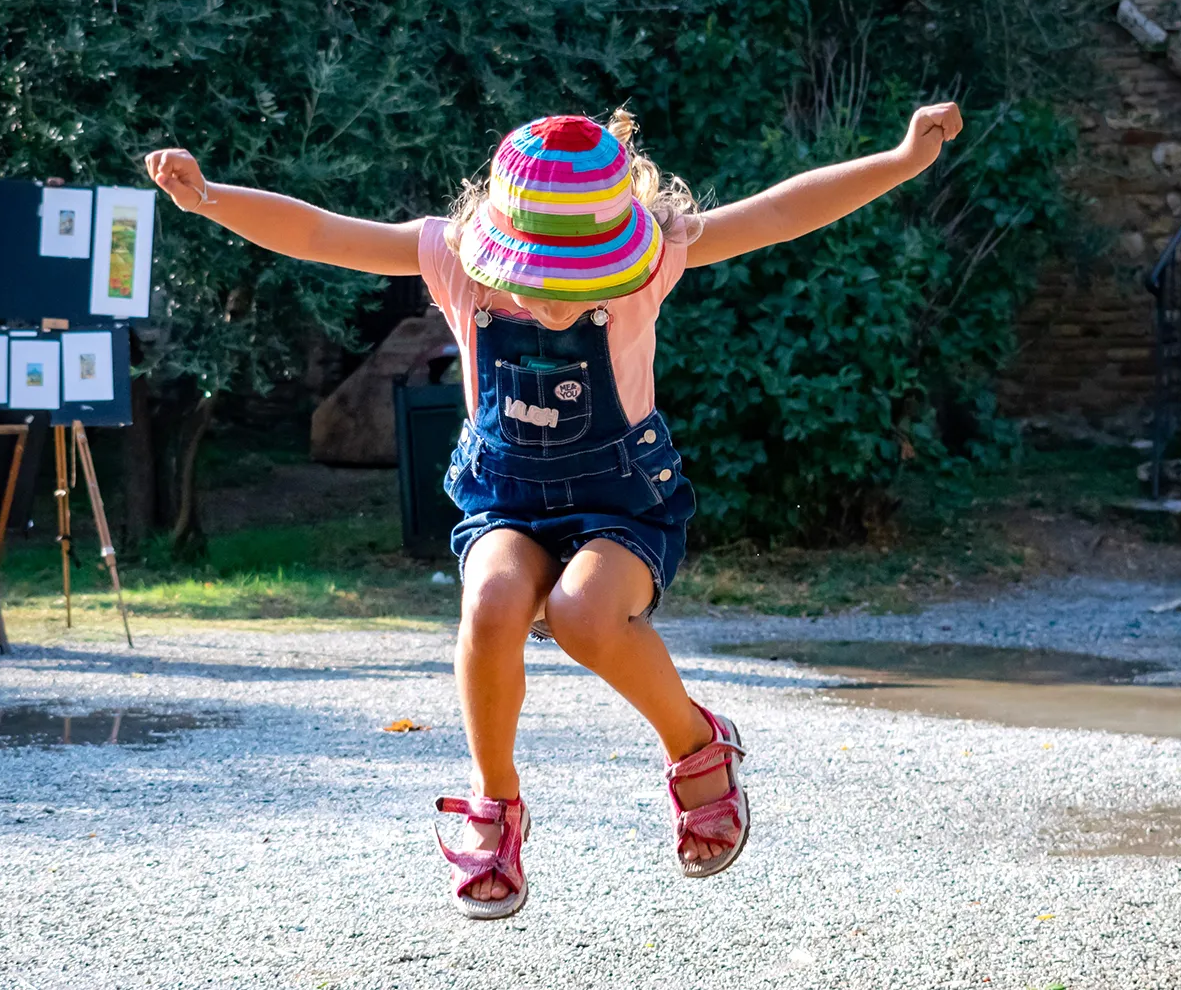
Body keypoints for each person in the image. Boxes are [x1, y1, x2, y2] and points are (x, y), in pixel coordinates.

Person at [145, 100, 962, 919]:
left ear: (621, 257)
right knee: (493, 604)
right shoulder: (449, 258)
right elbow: (322, 233)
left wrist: (898, 161)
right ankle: (495, 803)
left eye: (583, 283)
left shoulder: (659, 255)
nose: (554, 304)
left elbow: (782, 212)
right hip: (505, 496)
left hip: (623, 499)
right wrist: (210, 196)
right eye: (537, 281)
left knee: (582, 615)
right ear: (499, 250)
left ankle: (696, 744)